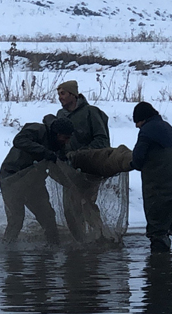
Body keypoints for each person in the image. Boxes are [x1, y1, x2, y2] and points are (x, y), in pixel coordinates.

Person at [0, 115, 74, 245]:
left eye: (69, 138)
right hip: (11, 178)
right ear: (56, 134)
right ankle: (9, 254)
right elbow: (19, 140)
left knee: (48, 217)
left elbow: (56, 170)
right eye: (64, 138)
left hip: (34, 182)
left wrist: (71, 185)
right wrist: (44, 152)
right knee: (16, 220)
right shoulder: (37, 130)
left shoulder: (59, 146)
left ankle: (52, 250)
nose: (66, 141)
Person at [54, 80, 111, 242]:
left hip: (89, 169)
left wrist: (79, 154)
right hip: (68, 171)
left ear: (74, 95)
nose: (60, 97)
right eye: (58, 94)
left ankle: (100, 237)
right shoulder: (61, 115)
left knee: (87, 205)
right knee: (69, 209)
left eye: (63, 93)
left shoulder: (91, 113)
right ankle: (80, 242)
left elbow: (102, 140)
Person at [130, 102, 172, 253]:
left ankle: (159, 270)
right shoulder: (167, 127)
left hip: (158, 192)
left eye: (137, 122)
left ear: (143, 119)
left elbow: (137, 159)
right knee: (165, 231)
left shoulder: (147, 131)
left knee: (157, 235)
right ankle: (167, 269)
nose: (136, 126)